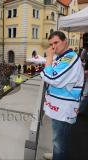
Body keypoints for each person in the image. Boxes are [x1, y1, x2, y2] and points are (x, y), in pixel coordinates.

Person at [40, 31, 84, 160]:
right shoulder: (62, 57)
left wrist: (48, 58)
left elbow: (51, 76)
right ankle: (57, 154)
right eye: (51, 44)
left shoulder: (69, 58)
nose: (53, 47)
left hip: (63, 108)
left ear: (65, 41)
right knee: (58, 138)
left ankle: (58, 155)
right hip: (58, 106)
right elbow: (49, 73)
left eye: (56, 42)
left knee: (60, 141)